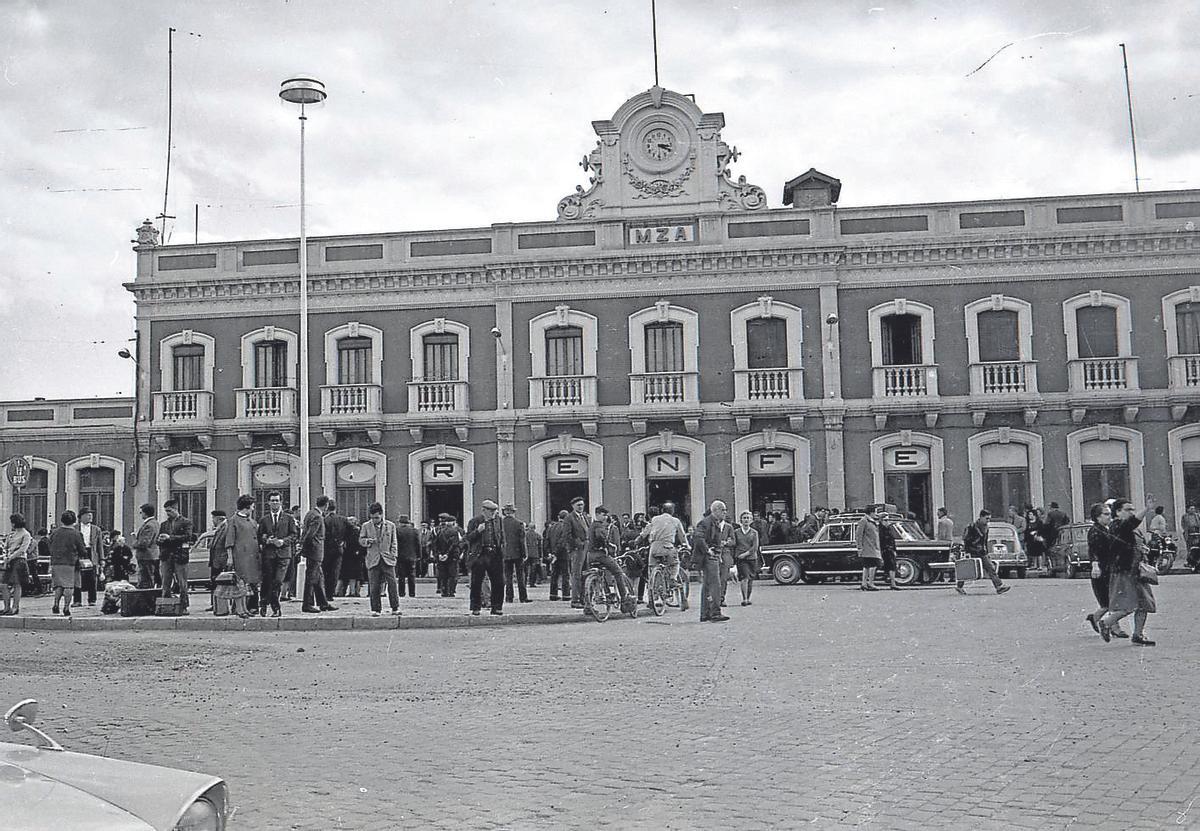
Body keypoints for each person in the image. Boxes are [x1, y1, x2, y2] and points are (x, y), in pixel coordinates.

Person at [1098, 497, 1158, 646]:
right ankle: (1106, 623)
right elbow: (1132, 523)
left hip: (1136, 571)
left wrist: (1142, 549)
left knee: (1145, 603)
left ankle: (1138, 634)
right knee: (1127, 605)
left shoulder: (1127, 528)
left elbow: (1133, 539)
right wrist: (1146, 509)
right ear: (1117, 512)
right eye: (1128, 510)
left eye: (1132, 509)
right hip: (1124, 572)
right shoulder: (1117, 525)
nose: (1131, 512)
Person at [636, 502, 690, 611]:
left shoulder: (655, 519)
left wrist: (637, 540)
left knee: (651, 570)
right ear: (672, 511)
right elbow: (682, 536)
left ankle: (652, 599)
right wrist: (687, 546)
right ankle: (672, 579)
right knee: (675, 564)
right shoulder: (675, 521)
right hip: (667, 547)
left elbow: (645, 532)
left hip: (654, 548)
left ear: (662, 510)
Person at [1084, 502, 1125, 638]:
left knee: (1110, 600)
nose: (1109, 517)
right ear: (1097, 517)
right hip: (1102, 569)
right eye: (1106, 514)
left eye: (1109, 514)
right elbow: (1093, 550)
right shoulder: (1095, 531)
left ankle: (1096, 618)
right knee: (1110, 600)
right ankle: (1114, 627)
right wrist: (1095, 565)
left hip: (1109, 568)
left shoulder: (1105, 529)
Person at [583, 505, 632, 614]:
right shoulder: (599, 526)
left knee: (596, 576)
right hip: (600, 554)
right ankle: (624, 600)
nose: (605, 517)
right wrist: (605, 546)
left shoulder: (591, 525)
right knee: (618, 572)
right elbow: (600, 536)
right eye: (603, 515)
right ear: (597, 514)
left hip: (590, 555)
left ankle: (588, 606)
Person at [257, 491, 298, 617]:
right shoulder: (264, 519)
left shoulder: (288, 518)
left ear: (281, 502)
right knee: (267, 580)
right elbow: (259, 536)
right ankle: (263, 604)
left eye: (277, 500)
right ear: (268, 502)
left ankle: (276, 608)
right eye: (272, 500)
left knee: (278, 581)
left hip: (284, 555)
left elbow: (294, 535)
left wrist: (283, 541)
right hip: (269, 554)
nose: (275, 503)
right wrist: (266, 540)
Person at [693, 500, 734, 622]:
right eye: (723, 510)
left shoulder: (713, 522)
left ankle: (705, 614)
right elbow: (698, 537)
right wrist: (708, 550)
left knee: (707, 585)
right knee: (716, 585)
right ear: (715, 510)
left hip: (711, 556)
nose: (725, 512)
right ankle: (715, 612)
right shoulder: (706, 522)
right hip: (709, 557)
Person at [465, 499, 506, 616]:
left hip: (495, 553)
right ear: (484, 510)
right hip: (480, 554)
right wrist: (478, 531)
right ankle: (476, 607)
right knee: (476, 582)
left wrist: (502, 550)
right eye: (490, 511)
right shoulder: (475, 521)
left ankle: (497, 607)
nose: (493, 513)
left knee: (499, 582)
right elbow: (468, 538)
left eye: (494, 511)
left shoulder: (499, 521)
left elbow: (502, 536)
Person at [360, 502, 401, 617]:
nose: (374, 520)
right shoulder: (366, 526)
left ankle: (395, 607)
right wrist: (367, 541)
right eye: (372, 518)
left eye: (377, 517)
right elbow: (361, 540)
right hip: (373, 559)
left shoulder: (390, 525)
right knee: (374, 585)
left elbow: (394, 542)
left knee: (392, 584)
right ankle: (376, 609)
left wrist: (393, 555)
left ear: (382, 515)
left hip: (388, 559)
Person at [957, 510, 1010, 596]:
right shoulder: (971, 526)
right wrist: (967, 550)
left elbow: (985, 541)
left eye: (989, 519)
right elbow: (966, 539)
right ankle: (959, 586)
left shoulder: (986, 528)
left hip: (982, 552)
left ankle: (999, 586)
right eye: (986, 518)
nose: (988, 521)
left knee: (990, 568)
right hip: (972, 551)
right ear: (981, 517)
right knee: (968, 569)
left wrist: (986, 552)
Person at [225, 495, 262, 617]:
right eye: (252, 506)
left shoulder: (252, 521)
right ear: (247, 506)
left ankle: (246, 608)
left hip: (253, 557)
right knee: (240, 583)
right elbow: (230, 541)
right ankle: (239, 609)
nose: (253, 508)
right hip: (241, 556)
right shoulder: (233, 520)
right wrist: (230, 558)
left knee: (249, 584)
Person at [48, 510, 89, 617]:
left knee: (58, 585)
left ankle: (56, 603)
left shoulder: (54, 532)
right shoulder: (76, 534)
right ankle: (66, 607)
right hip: (70, 562)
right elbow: (82, 550)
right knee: (69, 586)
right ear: (74, 521)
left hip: (56, 562)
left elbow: (50, 546)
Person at [299, 495, 335, 613]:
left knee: (319, 577)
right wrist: (305, 548)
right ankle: (307, 604)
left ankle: (323, 603)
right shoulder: (318, 517)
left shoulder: (310, 513)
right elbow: (310, 534)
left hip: (313, 551)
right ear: (326, 506)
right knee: (312, 578)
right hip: (315, 551)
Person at [157, 499, 194, 614]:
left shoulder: (186, 522)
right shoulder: (164, 524)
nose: (167, 513)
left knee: (182, 582)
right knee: (165, 582)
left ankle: (184, 606)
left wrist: (170, 538)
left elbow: (188, 536)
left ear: (175, 509)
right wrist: (160, 540)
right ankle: (166, 605)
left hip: (180, 555)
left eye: (169, 511)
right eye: (166, 511)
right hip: (166, 556)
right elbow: (158, 540)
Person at [73, 506, 104, 607]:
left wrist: (101, 559)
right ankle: (77, 600)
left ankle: (92, 599)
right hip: (79, 553)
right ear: (81, 517)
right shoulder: (75, 528)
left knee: (92, 578)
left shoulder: (96, 529)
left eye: (91, 515)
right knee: (78, 577)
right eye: (87, 515)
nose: (90, 516)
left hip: (92, 553)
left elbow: (100, 545)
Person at [2, 513, 33, 615]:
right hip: (9, 560)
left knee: (17, 584)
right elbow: (5, 547)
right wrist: (6, 557)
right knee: (3, 584)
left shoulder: (26, 534)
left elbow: (22, 549)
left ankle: (15, 607)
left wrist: (10, 557)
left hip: (19, 560)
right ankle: (6, 607)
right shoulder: (11, 534)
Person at [200, 510, 228, 613]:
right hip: (215, 560)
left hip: (221, 560)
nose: (212, 520)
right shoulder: (219, 529)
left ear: (218, 518)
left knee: (219, 584)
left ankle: (219, 604)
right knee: (214, 583)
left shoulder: (226, 528)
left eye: (213, 518)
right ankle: (215, 604)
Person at [501, 504, 530, 604]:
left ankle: (509, 597)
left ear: (504, 512)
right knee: (520, 575)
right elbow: (522, 540)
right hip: (517, 553)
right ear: (513, 512)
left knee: (508, 576)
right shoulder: (519, 523)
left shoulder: (501, 523)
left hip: (505, 553)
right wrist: (524, 553)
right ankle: (523, 597)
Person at [566, 496, 591, 609]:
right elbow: (567, 535)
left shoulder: (585, 516)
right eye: (578, 505)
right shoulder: (569, 518)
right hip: (577, 550)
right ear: (573, 506)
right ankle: (575, 600)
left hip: (586, 548)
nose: (581, 507)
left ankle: (583, 598)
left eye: (582, 504)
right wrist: (577, 544)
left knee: (585, 573)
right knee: (576, 574)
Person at [432, 513, 464, 597]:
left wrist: (439, 554)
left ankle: (444, 591)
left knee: (443, 575)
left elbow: (435, 544)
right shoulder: (456, 531)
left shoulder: (439, 531)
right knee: (453, 574)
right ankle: (451, 591)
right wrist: (447, 554)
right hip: (452, 556)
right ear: (453, 522)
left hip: (441, 556)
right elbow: (454, 544)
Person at [733, 510, 760, 606]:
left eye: (748, 518)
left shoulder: (754, 533)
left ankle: (748, 597)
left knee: (750, 579)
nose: (746, 520)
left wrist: (746, 554)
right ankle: (744, 599)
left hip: (752, 558)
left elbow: (755, 547)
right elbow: (734, 544)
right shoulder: (736, 532)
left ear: (751, 520)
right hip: (741, 559)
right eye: (744, 518)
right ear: (741, 520)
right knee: (744, 577)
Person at [132, 504, 160, 589]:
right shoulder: (155, 523)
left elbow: (144, 543)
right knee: (149, 577)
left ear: (145, 513)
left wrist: (135, 542)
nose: (140, 514)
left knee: (145, 579)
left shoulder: (149, 525)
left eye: (141, 512)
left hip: (146, 556)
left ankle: (146, 599)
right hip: (152, 555)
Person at [322, 502, 347, 601]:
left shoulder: (324, 520)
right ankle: (330, 594)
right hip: (338, 549)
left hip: (326, 549)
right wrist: (344, 541)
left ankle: (325, 593)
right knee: (335, 572)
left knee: (325, 572)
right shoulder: (343, 520)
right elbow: (353, 531)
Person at [545, 510, 571, 601]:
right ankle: (566, 595)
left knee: (554, 575)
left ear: (558, 517)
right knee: (565, 575)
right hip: (563, 554)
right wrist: (556, 553)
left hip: (553, 554)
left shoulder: (551, 527)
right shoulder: (565, 527)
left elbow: (546, 541)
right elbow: (562, 541)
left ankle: (553, 594)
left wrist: (550, 553)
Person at [337, 516, 367, 597]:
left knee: (345, 574)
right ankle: (354, 592)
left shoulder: (345, 532)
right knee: (355, 575)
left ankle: (340, 592)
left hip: (348, 555)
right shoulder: (358, 531)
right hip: (356, 555)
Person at [856, 505, 883, 591]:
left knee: (867, 566)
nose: (876, 514)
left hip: (873, 546)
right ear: (871, 512)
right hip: (868, 547)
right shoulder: (864, 521)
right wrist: (859, 547)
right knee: (873, 565)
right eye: (875, 512)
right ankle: (870, 583)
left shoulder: (871, 521)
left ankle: (864, 583)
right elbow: (858, 535)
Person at [395, 515, 421, 598]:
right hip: (412, 556)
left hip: (400, 556)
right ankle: (412, 593)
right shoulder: (414, 531)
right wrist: (418, 555)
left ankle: (401, 593)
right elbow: (418, 544)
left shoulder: (397, 530)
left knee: (401, 576)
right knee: (411, 575)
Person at [1022, 507, 1047, 571]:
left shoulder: (1039, 522)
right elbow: (1026, 531)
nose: (1030, 516)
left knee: (1039, 553)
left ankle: (1040, 565)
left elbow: (1042, 530)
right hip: (1030, 539)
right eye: (1029, 515)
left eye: (1031, 514)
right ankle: (1035, 565)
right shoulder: (1028, 523)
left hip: (1037, 539)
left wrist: (1036, 532)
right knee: (1032, 553)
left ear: (1034, 515)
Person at [525, 522, 544, 587]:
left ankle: (524, 582)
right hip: (535, 554)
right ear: (534, 528)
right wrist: (541, 555)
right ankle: (532, 583)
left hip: (526, 554)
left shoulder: (525, 535)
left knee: (525, 569)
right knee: (533, 570)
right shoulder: (538, 536)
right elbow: (540, 547)